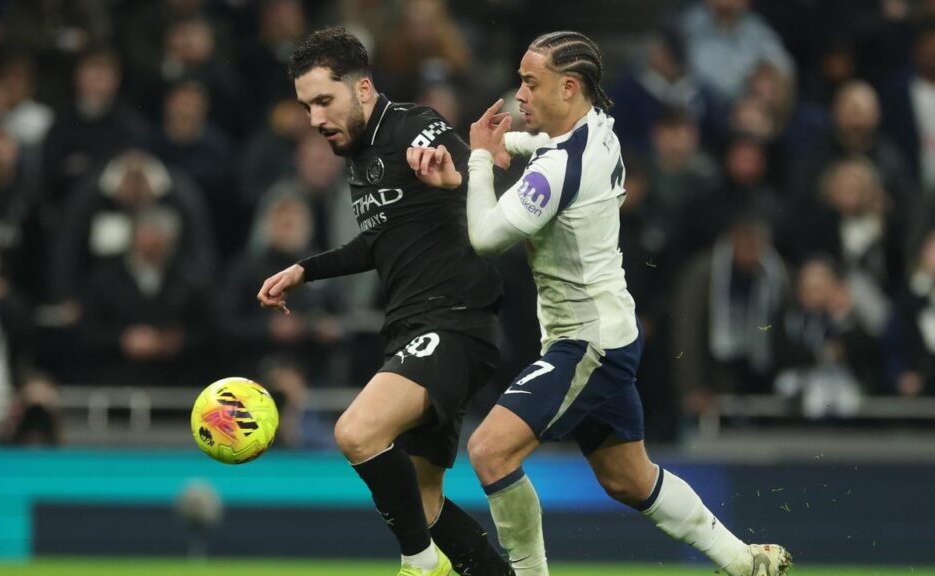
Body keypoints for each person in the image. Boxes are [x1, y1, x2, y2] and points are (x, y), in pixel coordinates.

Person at [407, 31, 792, 576]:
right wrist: (494, 151)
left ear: (568, 87)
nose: (519, 94)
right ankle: (745, 562)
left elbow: (487, 237)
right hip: (609, 332)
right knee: (628, 478)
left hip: (586, 341)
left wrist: (475, 168)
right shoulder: (600, 132)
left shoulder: (563, 165)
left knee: (491, 450)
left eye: (529, 82)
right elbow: (543, 147)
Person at [256, 28, 511, 576]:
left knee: (355, 432)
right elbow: (378, 241)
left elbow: (482, 180)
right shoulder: (360, 155)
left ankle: (419, 566)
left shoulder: (414, 126)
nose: (315, 118)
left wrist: (453, 178)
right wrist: (306, 269)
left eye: (324, 100)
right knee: (425, 505)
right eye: (306, 107)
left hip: (453, 321)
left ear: (364, 88)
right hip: (417, 326)